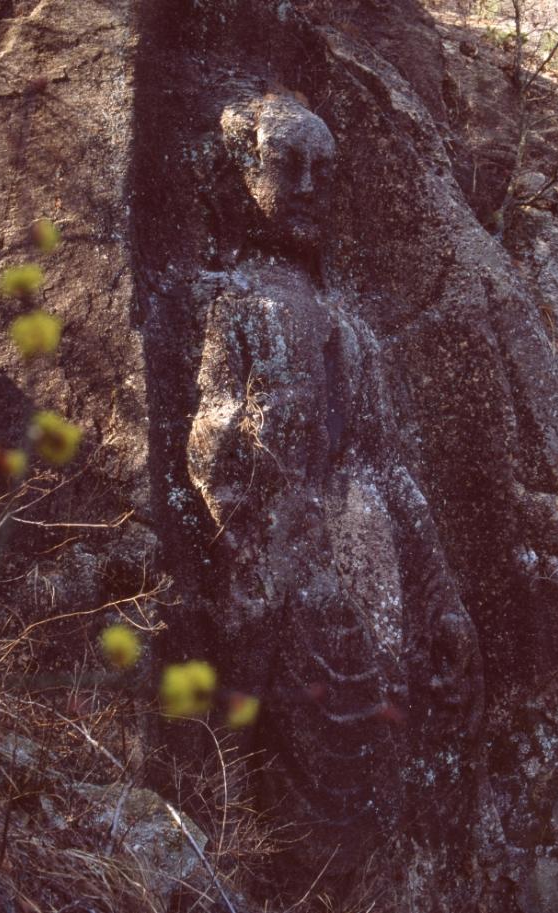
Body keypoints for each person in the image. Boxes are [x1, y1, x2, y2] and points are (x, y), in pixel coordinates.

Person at [187, 93, 483, 871]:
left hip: (369, 578)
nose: (311, 187)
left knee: (374, 791)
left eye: (325, 170)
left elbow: (387, 465)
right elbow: (214, 458)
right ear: (244, 171)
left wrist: (440, 596)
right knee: (287, 806)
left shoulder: (348, 325)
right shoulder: (234, 307)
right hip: (290, 587)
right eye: (289, 165)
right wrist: (270, 567)